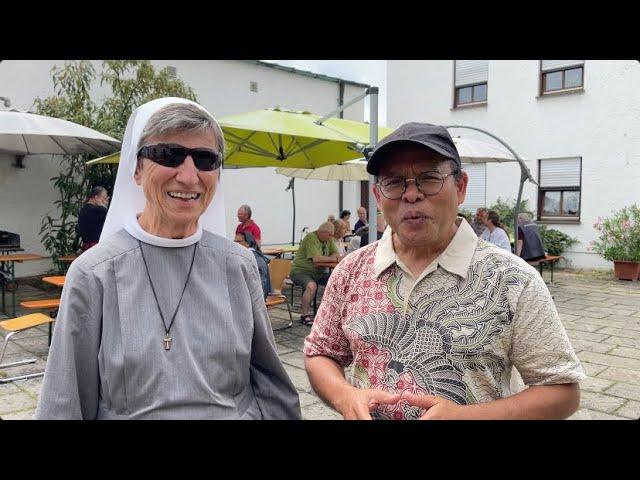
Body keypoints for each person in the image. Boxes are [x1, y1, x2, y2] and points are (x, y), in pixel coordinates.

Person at [36, 98, 300, 420]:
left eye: (205, 160)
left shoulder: (239, 266)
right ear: (136, 170)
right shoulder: (94, 275)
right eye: (168, 155)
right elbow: (64, 405)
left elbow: (272, 389)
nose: (189, 176)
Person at [303, 122, 584, 420]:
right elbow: (321, 352)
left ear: (460, 187)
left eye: (429, 178)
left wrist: (468, 417)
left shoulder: (512, 280)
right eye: (395, 182)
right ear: (377, 196)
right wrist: (345, 396)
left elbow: (561, 390)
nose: (411, 195)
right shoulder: (352, 270)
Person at [290, 221, 341, 326]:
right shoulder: (311, 238)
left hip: (318, 272)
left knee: (338, 281)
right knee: (311, 286)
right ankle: (304, 315)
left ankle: (332, 314)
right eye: (329, 235)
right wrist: (332, 258)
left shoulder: (328, 239)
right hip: (300, 271)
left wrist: (330, 258)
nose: (330, 238)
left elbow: (336, 254)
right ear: (322, 232)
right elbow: (316, 259)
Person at [235, 231, 272, 300]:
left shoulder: (254, 259)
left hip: (256, 299)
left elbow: (262, 286)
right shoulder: (246, 255)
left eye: (239, 242)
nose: (235, 244)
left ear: (248, 243)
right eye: (234, 242)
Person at [77, 186, 109, 251]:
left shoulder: (84, 209)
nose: (105, 202)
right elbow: (111, 217)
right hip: (97, 248)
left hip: (87, 247)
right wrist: (104, 207)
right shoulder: (99, 210)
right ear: (96, 197)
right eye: (104, 199)